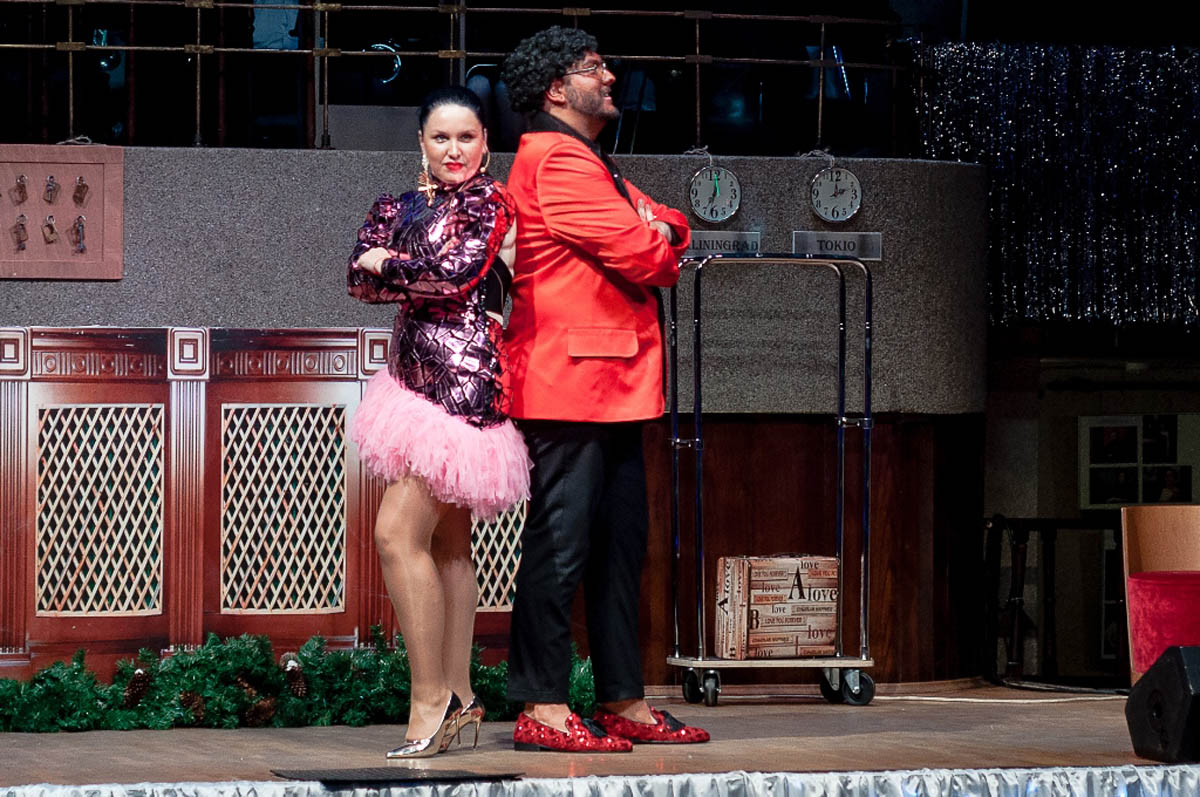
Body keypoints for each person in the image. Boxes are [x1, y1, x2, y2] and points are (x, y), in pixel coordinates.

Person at [500, 26, 710, 753]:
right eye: (594, 68)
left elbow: (674, 224)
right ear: (557, 88)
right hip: (570, 381)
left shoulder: (589, 160)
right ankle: (542, 704)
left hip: (609, 382)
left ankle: (622, 697)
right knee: (560, 548)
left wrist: (661, 229)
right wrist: (658, 232)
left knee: (621, 548)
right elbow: (650, 252)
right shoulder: (557, 159)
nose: (610, 76)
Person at [346, 85, 530, 759]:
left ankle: (431, 697)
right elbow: (356, 279)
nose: (454, 150)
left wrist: (390, 263)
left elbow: (452, 277)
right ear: (421, 143)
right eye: (441, 138)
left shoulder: (490, 202)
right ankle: (462, 693)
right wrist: (398, 269)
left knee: (396, 534)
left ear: (486, 143)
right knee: (450, 544)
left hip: (463, 386)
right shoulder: (397, 204)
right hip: (409, 378)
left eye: (466, 137)